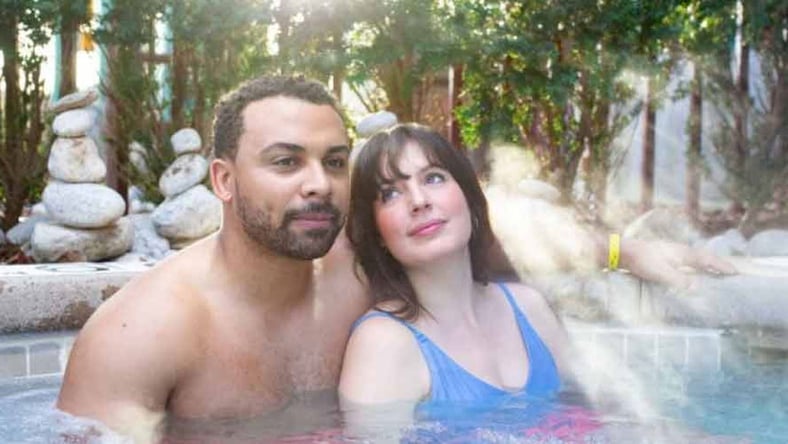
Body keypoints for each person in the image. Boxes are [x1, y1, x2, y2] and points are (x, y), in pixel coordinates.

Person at [57, 75, 734, 442]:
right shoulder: (142, 333)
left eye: (333, 162)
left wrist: (624, 248)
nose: (318, 184)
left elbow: (483, 227)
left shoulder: (353, 261)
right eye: (286, 162)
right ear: (225, 181)